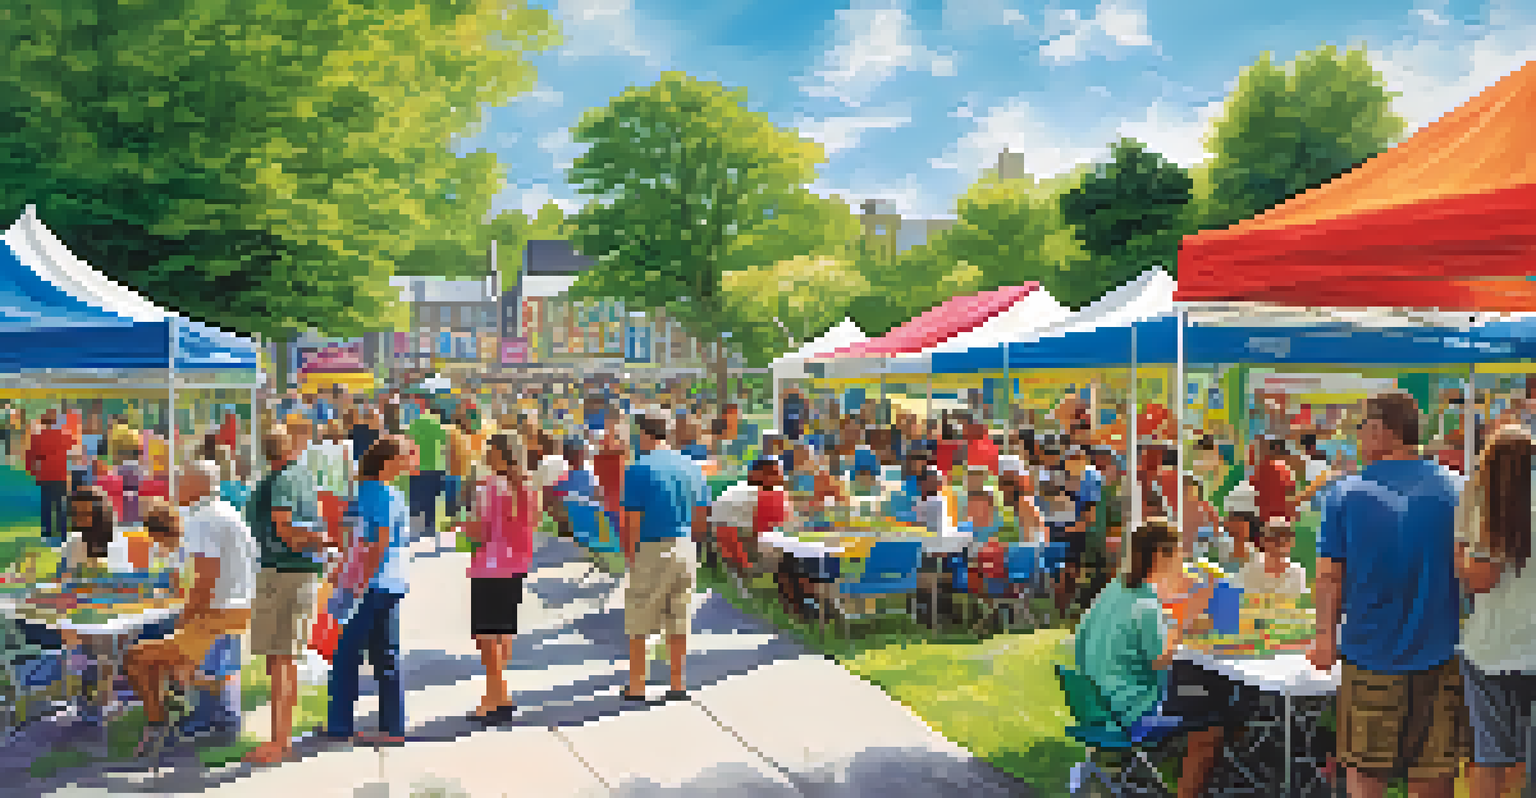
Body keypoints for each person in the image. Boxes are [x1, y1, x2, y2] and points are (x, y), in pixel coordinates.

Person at [1310, 392, 1469, 798]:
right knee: (1434, 776)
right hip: (1444, 652)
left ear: (1381, 430)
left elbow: (1329, 577)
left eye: (1361, 427)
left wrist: (1325, 637)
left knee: (1366, 777)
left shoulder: (1344, 493)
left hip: (1369, 655)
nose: (1358, 436)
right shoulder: (1459, 489)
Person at [1074, 518, 1225, 798]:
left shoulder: (1113, 591)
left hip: (1096, 706)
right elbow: (1161, 660)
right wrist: (1184, 622)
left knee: (1198, 695)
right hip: (1130, 712)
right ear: (1160, 556)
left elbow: (1085, 640)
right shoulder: (1145, 605)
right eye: (1179, 554)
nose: (1183, 560)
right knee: (1211, 725)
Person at [125, 461, 257, 758]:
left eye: (182, 480)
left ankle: (161, 725)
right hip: (236, 611)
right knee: (199, 667)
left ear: (197, 485)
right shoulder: (229, 513)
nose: (177, 485)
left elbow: (205, 578)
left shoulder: (202, 519)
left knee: (136, 658)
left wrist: (185, 619)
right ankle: (211, 719)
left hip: (215, 615)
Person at [1454, 425, 1536, 798]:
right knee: (1519, 762)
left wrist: (1459, 553)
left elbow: (1480, 579)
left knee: (1492, 758)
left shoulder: (1489, 508)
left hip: (1493, 650)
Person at [244, 427, 331, 765]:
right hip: (283, 572)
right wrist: (322, 540)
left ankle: (280, 742)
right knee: (278, 660)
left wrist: (321, 540)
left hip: (286, 574)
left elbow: (285, 527)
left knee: (281, 660)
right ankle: (279, 740)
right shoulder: (290, 477)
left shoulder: (285, 479)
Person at [327, 435, 413, 745]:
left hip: (367, 584)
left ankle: (340, 725)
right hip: (387, 582)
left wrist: (355, 580)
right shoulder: (388, 494)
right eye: (405, 457)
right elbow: (373, 541)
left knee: (346, 655)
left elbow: (373, 542)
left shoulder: (368, 493)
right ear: (387, 462)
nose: (409, 463)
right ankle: (392, 727)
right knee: (386, 656)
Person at [619, 413, 709, 702]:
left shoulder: (638, 469)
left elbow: (632, 520)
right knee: (679, 617)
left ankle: (637, 685)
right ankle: (677, 684)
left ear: (643, 433)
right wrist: (694, 546)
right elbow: (701, 515)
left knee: (639, 616)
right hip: (685, 546)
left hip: (651, 546)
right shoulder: (692, 467)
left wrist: (631, 556)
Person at [464, 433, 537, 721]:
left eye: (489, 450)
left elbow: (479, 531)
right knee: (503, 631)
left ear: (499, 454)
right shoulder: (528, 487)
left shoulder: (489, 487)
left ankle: (498, 697)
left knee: (485, 634)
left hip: (489, 564)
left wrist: (464, 526)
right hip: (516, 564)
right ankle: (495, 694)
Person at [27, 410, 74, 545]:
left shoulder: (36, 438)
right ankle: (63, 534)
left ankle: (46, 533)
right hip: (60, 476)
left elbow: (30, 458)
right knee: (60, 506)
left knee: (46, 505)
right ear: (55, 421)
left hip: (45, 476)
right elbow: (73, 446)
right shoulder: (63, 435)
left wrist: (34, 473)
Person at [1234, 518, 1308, 600]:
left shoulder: (1297, 573)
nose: (1281, 541)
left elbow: (1300, 603)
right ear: (1263, 539)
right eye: (1275, 535)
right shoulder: (1249, 570)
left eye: (1286, 536)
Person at [406, 409, 448, 546]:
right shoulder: (437, 424)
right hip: (435, 466)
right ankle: (429, 527)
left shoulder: (414, 424)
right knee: (431, 498)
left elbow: (408, 443)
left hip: (416, 466)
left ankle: (415, 527)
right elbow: (444, 443)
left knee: (415, 496)